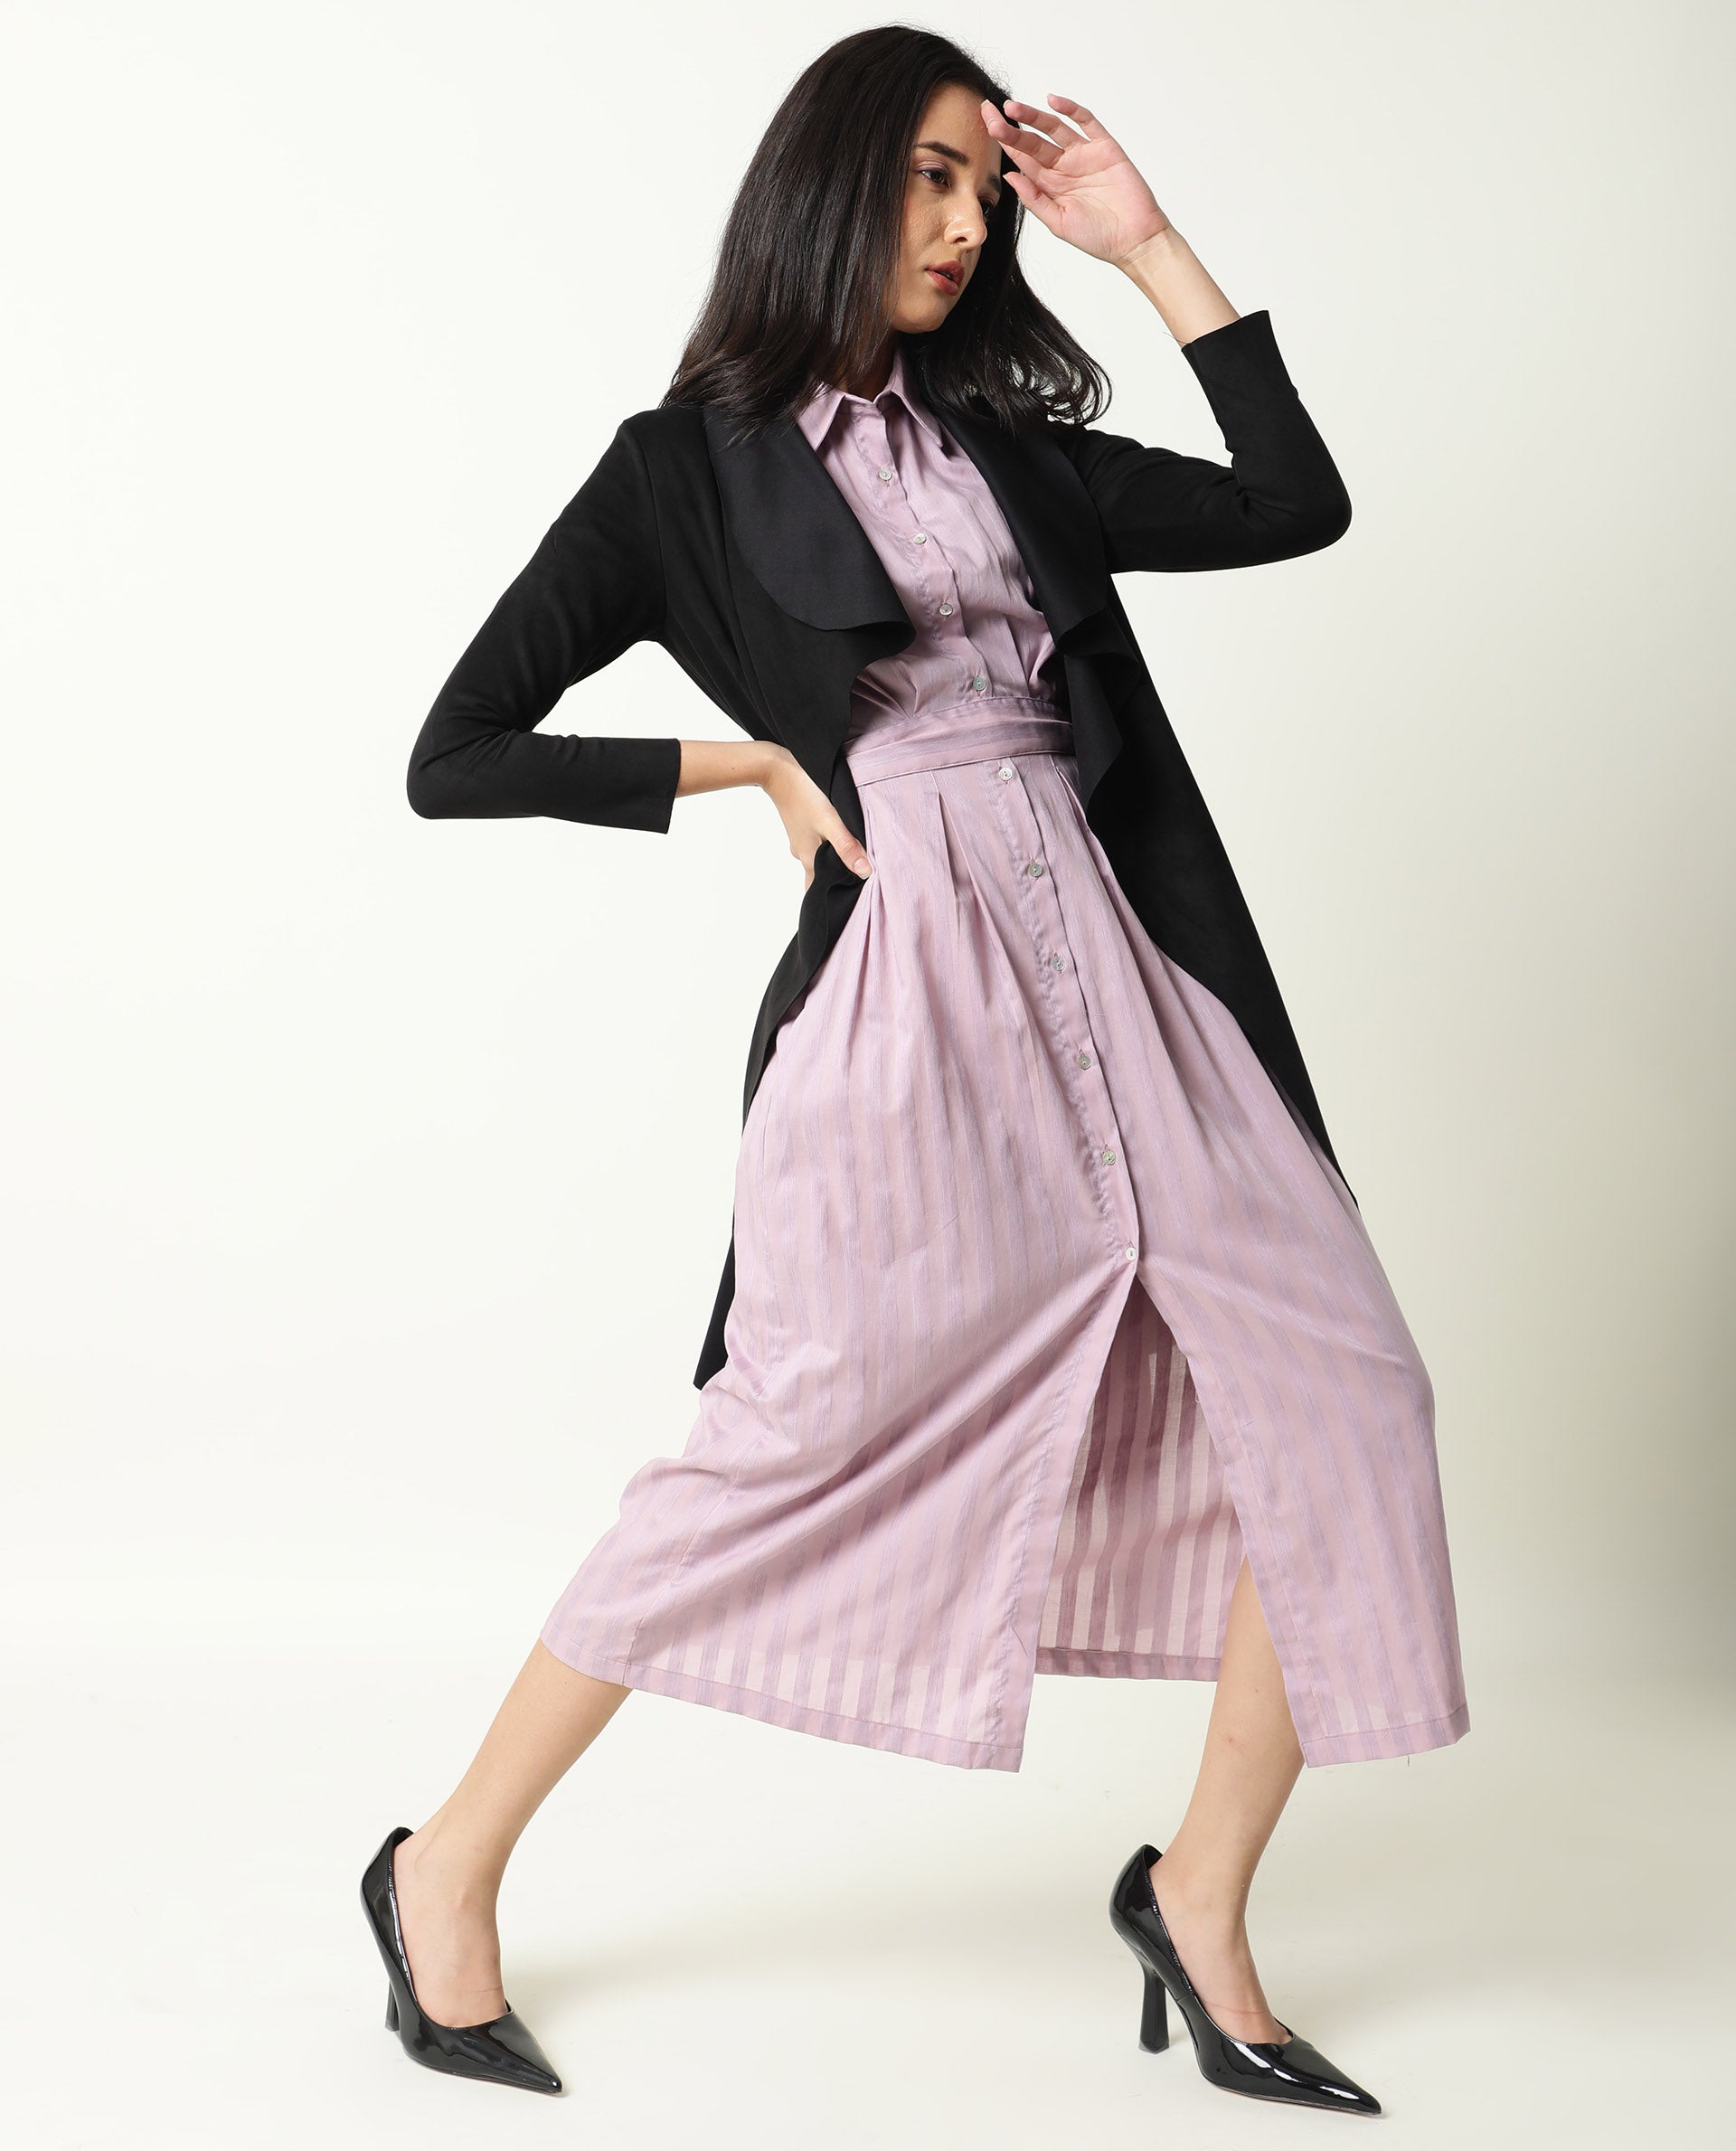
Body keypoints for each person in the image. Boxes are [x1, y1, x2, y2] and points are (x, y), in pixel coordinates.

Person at [360, 27, 1467, 2118]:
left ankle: (1199, 1896)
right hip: (908, 993)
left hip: (1124, 966)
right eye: (924, 180)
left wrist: (1147, 245)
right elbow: (455, 752)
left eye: (983, 185)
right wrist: (751, 763)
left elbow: (1292, 501)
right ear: (826, 187)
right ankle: (445, 1861)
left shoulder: (1009, 448)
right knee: (779, 1437)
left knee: (1347, 1387)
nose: (963, 224)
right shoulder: (680, 469)